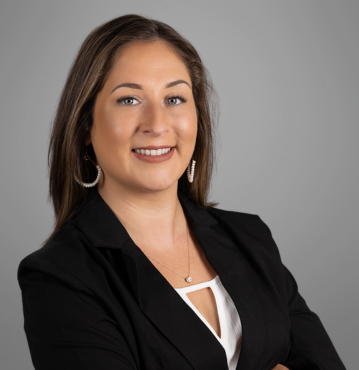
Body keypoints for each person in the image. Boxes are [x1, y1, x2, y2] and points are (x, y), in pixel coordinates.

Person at [17, 14, 346, 370]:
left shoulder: (251, 238)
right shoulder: (60, 277)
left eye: (174, 99)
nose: (157, 125)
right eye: (129, 100)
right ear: (85, 126)